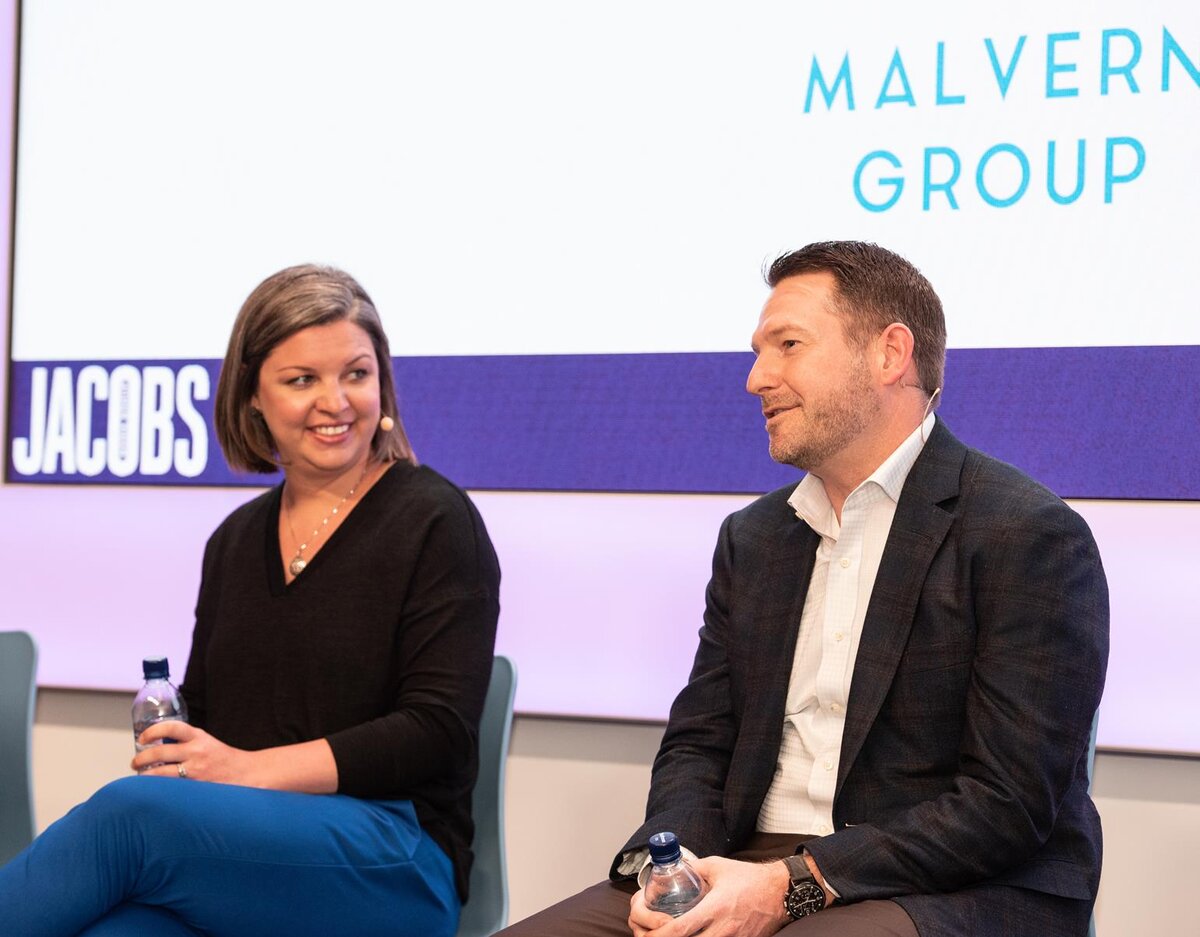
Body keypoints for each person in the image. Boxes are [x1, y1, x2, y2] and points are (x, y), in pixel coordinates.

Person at [499, 241, 1108, 937]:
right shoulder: (755, 538)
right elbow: (699, 743)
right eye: (759, 353)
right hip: (743, 864)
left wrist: (792, 884)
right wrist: (675, 869)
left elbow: (1006, 803)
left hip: (944, 887)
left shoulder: (1024, 534)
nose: (756, 378)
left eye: (787, 345)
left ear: (890, 354)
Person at [0, 265, 501, 937]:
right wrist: (180, 746)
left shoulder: (437, 520)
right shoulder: (233, 540)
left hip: (396, 855)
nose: (335, 401)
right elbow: (211, 718)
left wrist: (245, 770)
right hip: (250, 855)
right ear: (253, 396)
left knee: (130, 818)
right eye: (302, 380)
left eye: (355, 373)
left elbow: (438, 731)